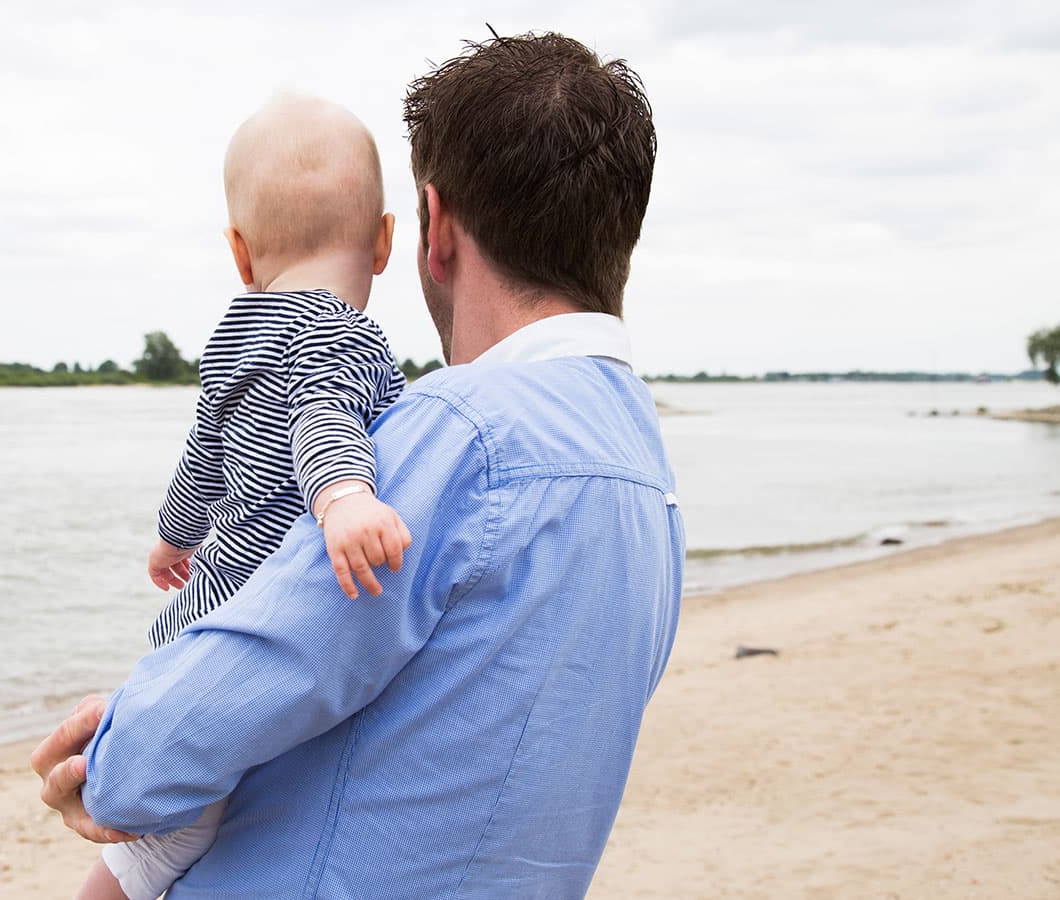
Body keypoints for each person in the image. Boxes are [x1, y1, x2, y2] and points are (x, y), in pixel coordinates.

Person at [35, 31, 682, 899]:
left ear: (435, 227)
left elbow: (238, 690)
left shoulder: (459, 435)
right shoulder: (644, 466)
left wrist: (105, 766)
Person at [78, 95, 413, 900]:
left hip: (189, 624)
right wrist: (343, 499)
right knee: (164, 846)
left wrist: (172, 537)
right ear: (385, 242)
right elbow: (321, 411)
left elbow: (203, 454)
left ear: (239, 250)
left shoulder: (235, 334)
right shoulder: (345, 335)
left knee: (165, 845)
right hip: (236, 647)